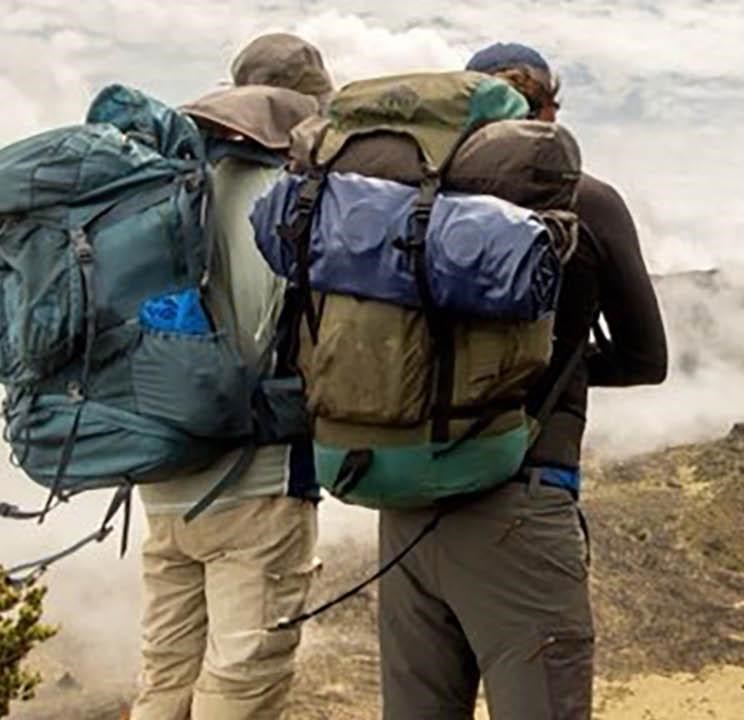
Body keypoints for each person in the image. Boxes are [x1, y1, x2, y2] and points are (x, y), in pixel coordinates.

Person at [377, 42, 668, 720]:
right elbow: (646, 359)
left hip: (405, 502)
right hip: (520, 508)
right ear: (546, 114)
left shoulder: (407, 205)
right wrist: (551, 368)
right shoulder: (584, 199)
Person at [130, 33, 332, 720]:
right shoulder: (297, 200)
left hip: (163, 477)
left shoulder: (171, 194)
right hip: (260, 482)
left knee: (163, 677)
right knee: (242, 682)